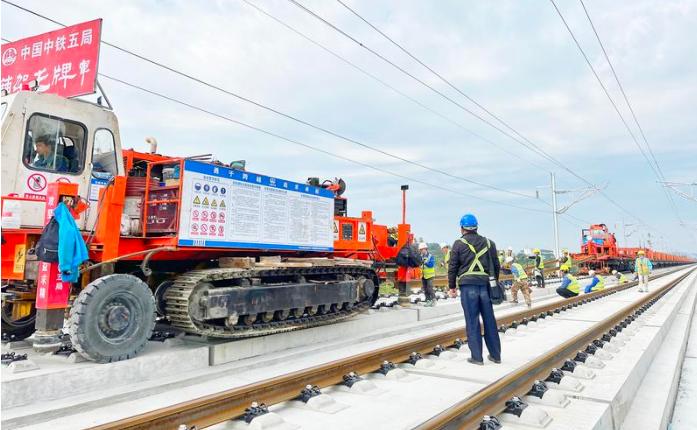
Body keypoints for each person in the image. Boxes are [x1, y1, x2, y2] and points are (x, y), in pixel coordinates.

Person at [448, 213, 501, 365]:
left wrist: (452, 286)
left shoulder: (458, 244)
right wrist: (494, 284)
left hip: (467, 286)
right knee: (489, 319)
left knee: (472, 321)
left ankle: (477, 357)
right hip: (485, 285)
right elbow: (496, 266)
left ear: (462, 228)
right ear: (476, 227)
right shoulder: (489, 243)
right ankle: (496, 355)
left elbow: (453, 267)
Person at [418, 242, 437, 306]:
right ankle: (428, 300)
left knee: (430, 288)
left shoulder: (430, 256)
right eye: (420, 250)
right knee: (425, 289)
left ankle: (434, 300)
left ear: (425, 249)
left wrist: (425, 262)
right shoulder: (420, 256)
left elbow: (431, 265)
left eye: (422, 249)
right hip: (423, 275)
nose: (421, 251)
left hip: (430, 275)